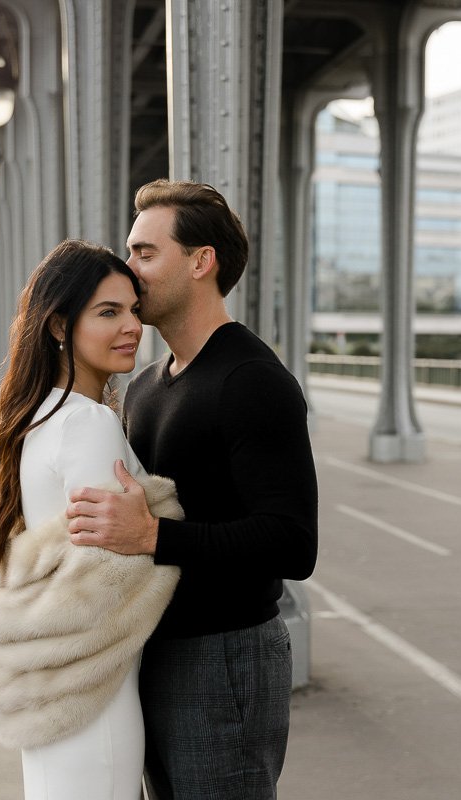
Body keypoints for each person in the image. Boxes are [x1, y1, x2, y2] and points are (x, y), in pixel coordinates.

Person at [65, 180, 319, 799]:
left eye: (146, 252)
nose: (129, 269)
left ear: (201, 261)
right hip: (159, 652)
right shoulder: (150, 384)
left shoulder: (252, 379)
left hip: (226, 657)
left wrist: (153, 535)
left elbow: (294, 544)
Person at [0, 240, 185, 800]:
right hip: (94, 700)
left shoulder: (31, 421)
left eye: (133, 309)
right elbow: (110, 573)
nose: (132, 325)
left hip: (51, 698)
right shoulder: (88, 425)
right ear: (59, 325)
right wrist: (166, 528)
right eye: (108, 312)